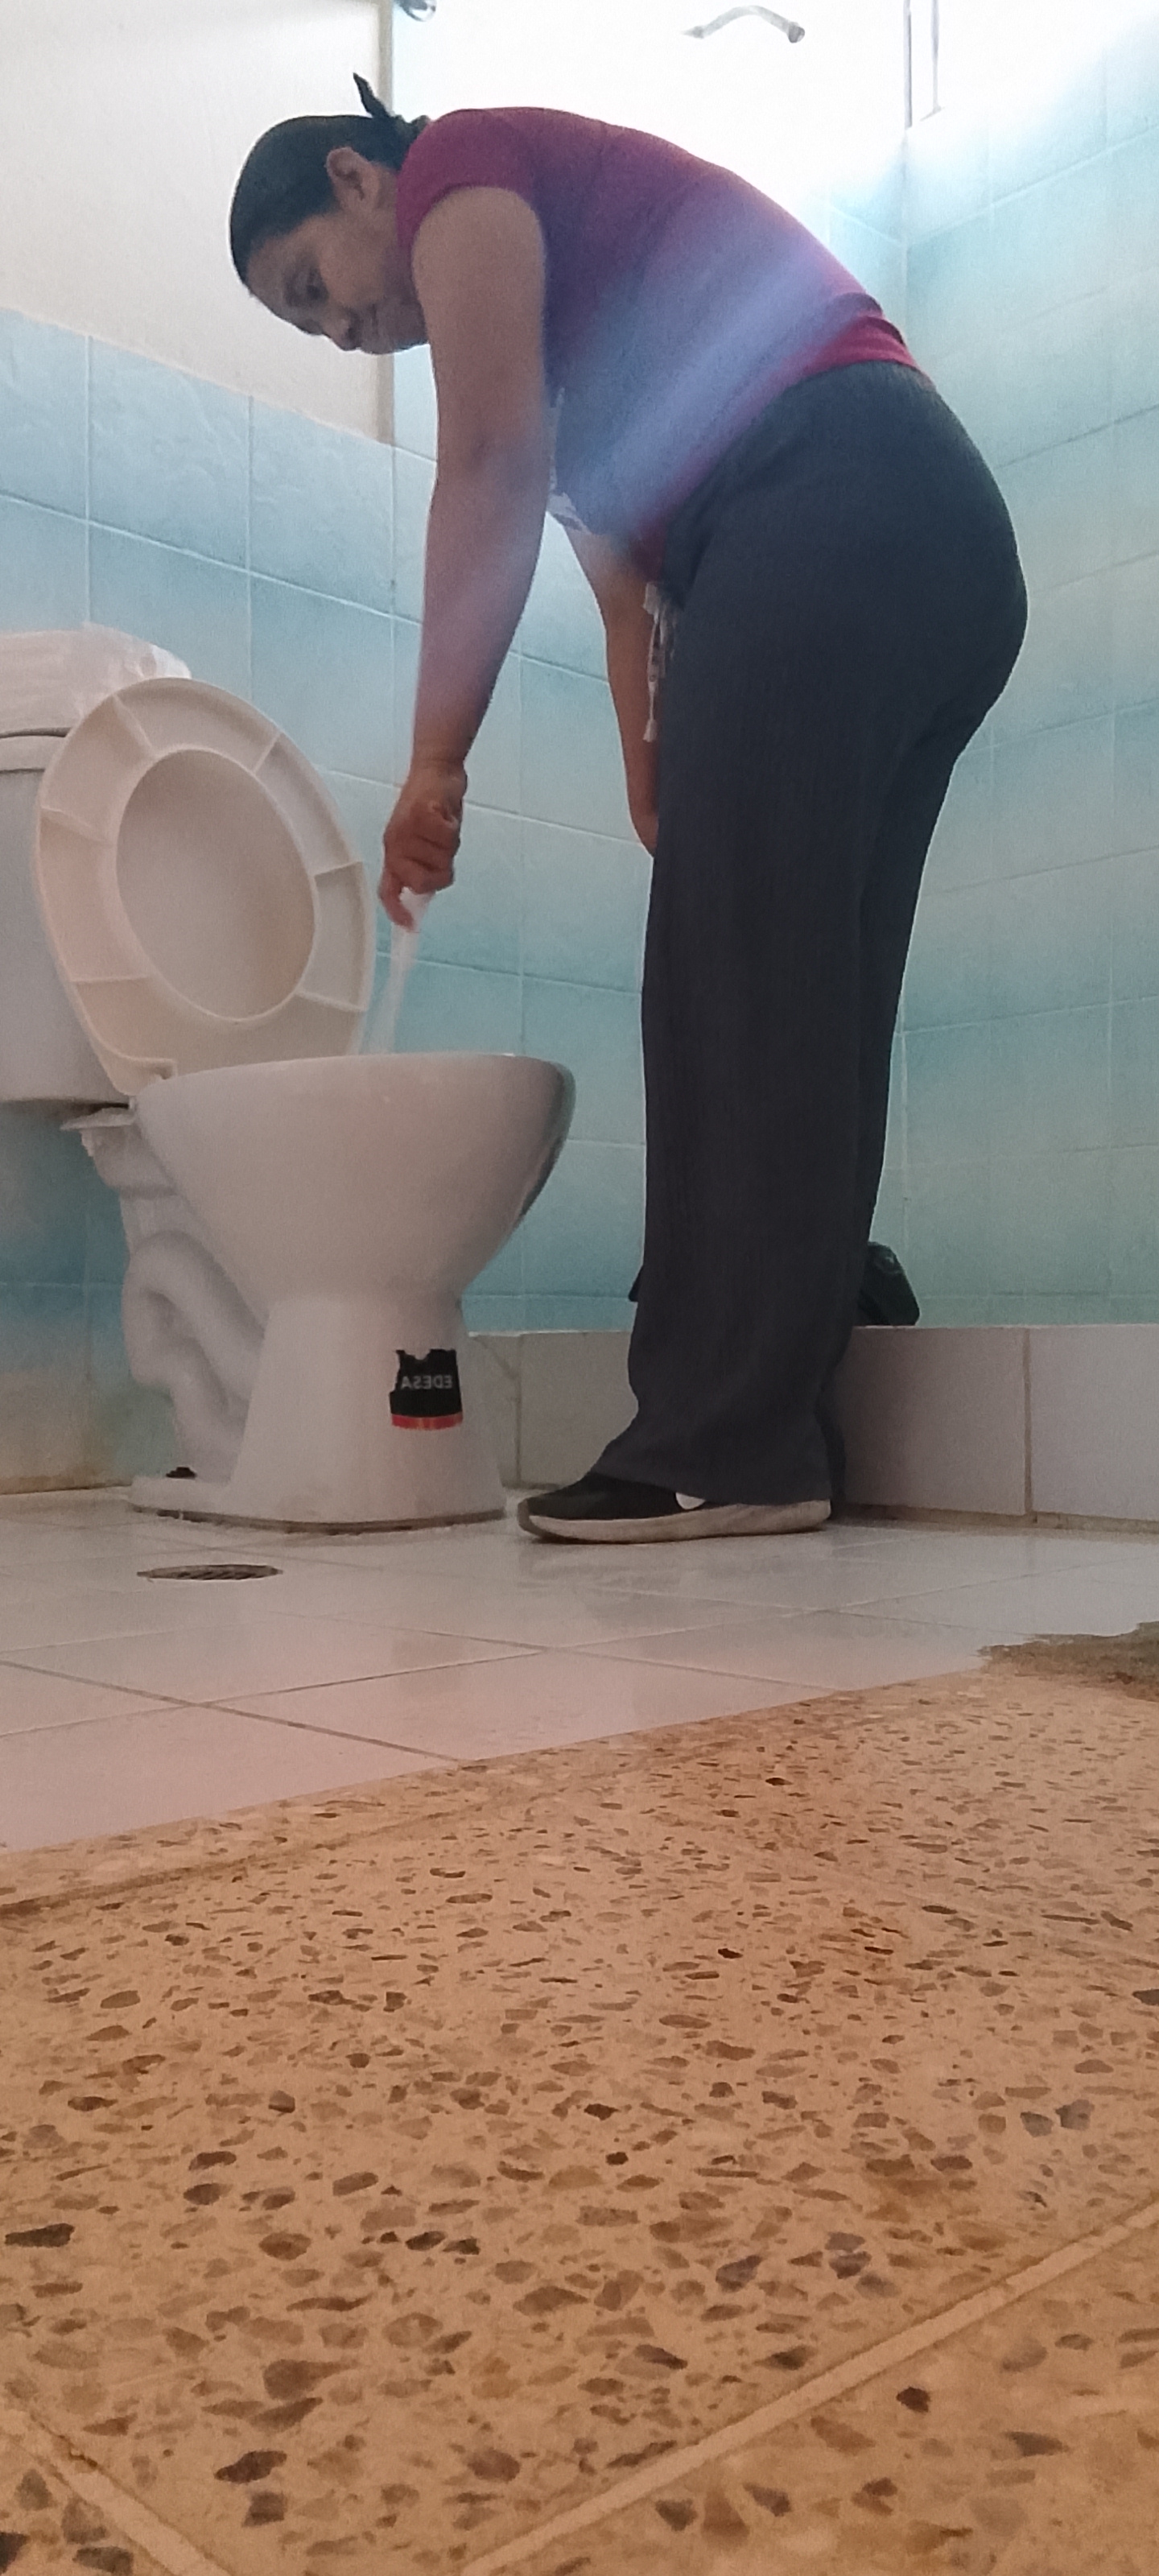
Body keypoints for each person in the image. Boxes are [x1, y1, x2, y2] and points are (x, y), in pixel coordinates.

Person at [230, 80, 1027, 1546]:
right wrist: (660, 784)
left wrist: (435, 763)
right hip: (925, 533)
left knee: (732, 990)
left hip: (830, 491)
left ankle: (728, 1440)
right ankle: (790, 1357)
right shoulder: (573, 348)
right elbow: (626, 598)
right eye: (312, 329)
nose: (341, 331)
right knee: (802, 982)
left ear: (358, 179)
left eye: (314, 290)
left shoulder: (462, 166)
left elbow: (489, 470)